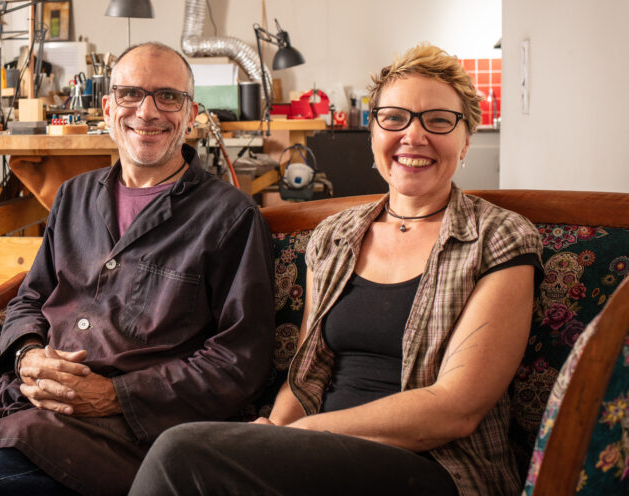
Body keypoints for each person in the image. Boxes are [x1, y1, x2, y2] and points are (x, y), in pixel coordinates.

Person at [0, 41, 274, 496]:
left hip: (112, 435)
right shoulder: (74, 196)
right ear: (107, 106)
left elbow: (239, 363)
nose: (147, 111)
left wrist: (112, 397)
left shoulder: (229, 218)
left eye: (168, 97)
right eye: (130, 94)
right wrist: (28, 354)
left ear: (192, 113)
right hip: (12, 400)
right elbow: (30, 298)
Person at [129, 43, 543, 496]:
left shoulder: (499, 237)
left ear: (466, 140)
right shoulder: (334, 236)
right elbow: (310, 371)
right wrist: (272, 429)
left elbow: (456, 408)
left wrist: (304, 435)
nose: (414, 136)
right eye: (394, 118)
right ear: (372, 134)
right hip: (320, 460)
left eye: (439, 121)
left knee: (180, 452)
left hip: (434, 468)